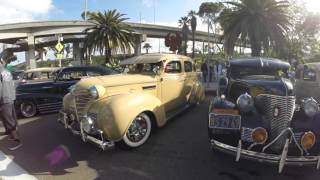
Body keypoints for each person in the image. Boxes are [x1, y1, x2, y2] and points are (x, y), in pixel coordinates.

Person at [0, 59, 22, 150]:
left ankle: (17, 141)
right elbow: (12, 84)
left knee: (9, 120)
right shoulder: (7, 72)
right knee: (9, 118)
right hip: (9, 98)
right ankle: (10, 134)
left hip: (3, 99)